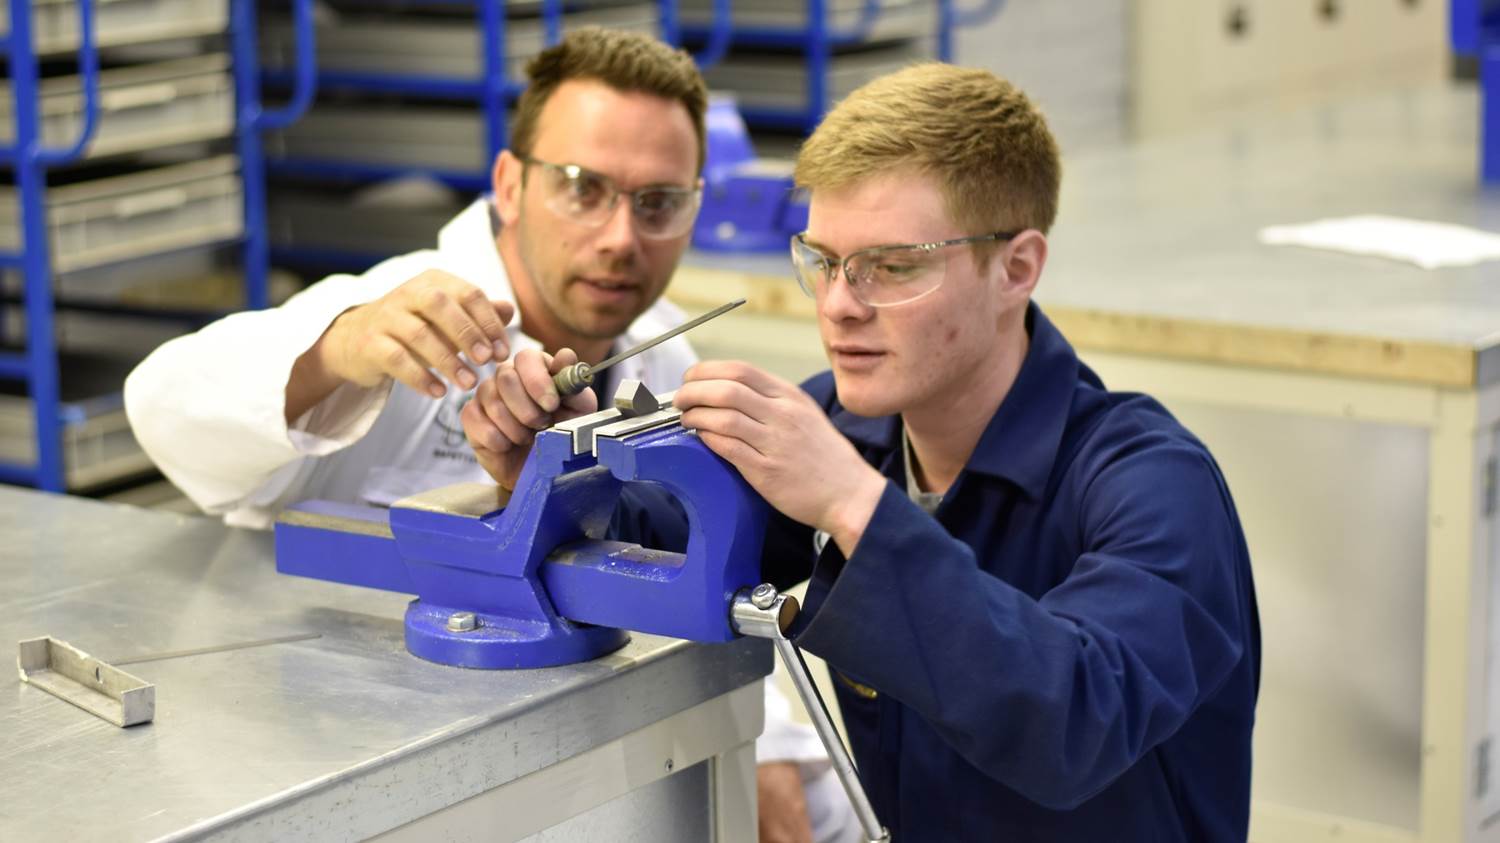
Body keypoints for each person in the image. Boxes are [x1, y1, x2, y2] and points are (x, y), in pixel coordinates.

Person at [125, 28, 854, 843]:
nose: (620, 238)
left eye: (658, 203)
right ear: (509, 184)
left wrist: (767, 751)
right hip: (332, 751)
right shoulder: (396, 318)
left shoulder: (664, 347)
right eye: (583, 188)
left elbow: (704, 580)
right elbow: (159, 404)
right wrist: (338, 348)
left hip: (559, 741)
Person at [664, 64, 1262, 839]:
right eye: (825, 260)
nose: (842, 305)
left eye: (894, 266)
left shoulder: (1155, 484)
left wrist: (854, 506)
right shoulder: (848, 427)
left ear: (1017, 267)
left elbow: (1075, 719)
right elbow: (672, 536)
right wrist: (555, 462)